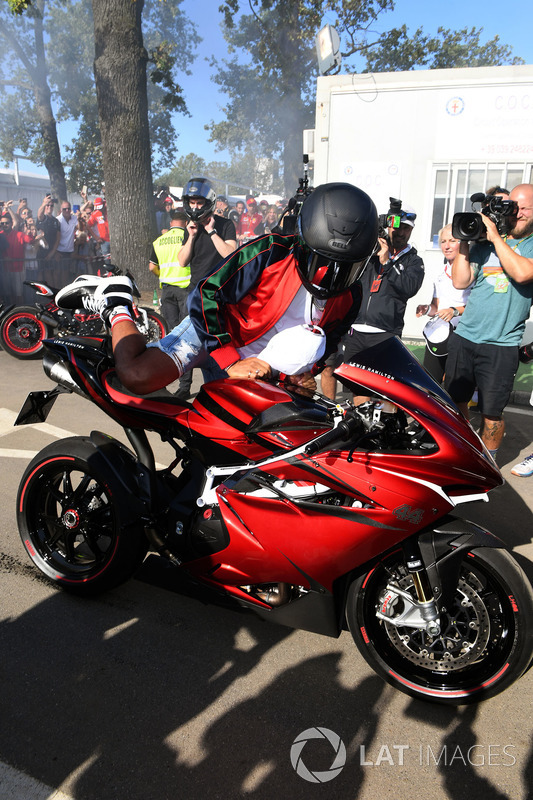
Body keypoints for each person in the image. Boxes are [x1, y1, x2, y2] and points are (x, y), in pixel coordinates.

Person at [55, 182, 379, 398]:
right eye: (324, 261)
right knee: (136, 375)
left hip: (260, 364)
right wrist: (228, 357)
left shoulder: (351, 295)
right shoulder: (271, 251)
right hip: (214, 332)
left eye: (347, 266)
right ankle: (116, 300)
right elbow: (207, 293)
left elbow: (324, 345)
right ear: (303, 242)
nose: (333, 277)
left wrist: (303, 376)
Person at [444, 183, 533, 462]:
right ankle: (461, 454)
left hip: (501, 344)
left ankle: (489, 462)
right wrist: (465, 241)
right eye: (513, 208)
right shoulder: (484, 243)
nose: (517, 214)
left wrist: (495, 237)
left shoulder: (524, 243)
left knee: (492, 413)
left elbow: (521, 274)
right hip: (465, 338)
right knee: (456, 402)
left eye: (523, 208)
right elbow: (460, 281)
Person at [320, 201, 424, 400]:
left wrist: (388, 262)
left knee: (383, 390)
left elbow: (408, 289)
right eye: (397, 227)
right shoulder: (372, 250)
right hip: (356, 332)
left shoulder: (413, 260)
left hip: (385, 334)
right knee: (358, 389)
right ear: (389, 226)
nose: (401, 233)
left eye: (406, 228)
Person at [416, 224, 472, 383]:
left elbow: (479, 307)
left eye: (452, 241)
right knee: (430, 385)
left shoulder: (473, 269)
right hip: (439, 335)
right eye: (443, 241)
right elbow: (437, 308)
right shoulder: (441, 274)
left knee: (455, 389)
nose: (446, 246)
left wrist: (455, 311)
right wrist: (426, 309)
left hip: (463, 336)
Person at [148, 209, 191, 399]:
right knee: (189, 337)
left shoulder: (159, 241)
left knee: (174, 338)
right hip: (186, 290)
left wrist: (164, 276)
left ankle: (175, 384)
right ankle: (186, 385)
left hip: (167, 291)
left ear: (171, 221)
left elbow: (152, 267)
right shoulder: (189, 237)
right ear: (185, 221)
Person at [37, 195, 61, 286]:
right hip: (42, 252)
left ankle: (55, 295)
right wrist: (44, 203)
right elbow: (39, 215)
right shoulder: (43, 218)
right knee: (44, 275)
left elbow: (58, 238)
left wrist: (52, 252)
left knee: (54, 275)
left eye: (51, 206)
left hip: (52, 252)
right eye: (48, 205)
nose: (49, 207)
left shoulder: (56, 221)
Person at [56, 201, 78, 283]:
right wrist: (55, 252)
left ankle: (64, 289)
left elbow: (81, 228)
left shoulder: (74, 218)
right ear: (61, 210)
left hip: (69, 251)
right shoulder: (58, 220)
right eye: (65, 209)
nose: (67, 211)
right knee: (58, 273)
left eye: (68, 208)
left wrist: (79, 217)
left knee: (66, 273)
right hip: (59, 250)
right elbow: (55, 237)